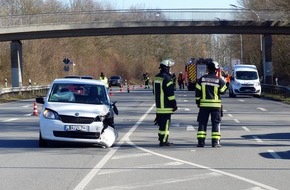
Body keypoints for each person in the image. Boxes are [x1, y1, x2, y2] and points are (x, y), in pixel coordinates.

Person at [195, 60, 227, 148]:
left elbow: (197, 93)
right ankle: (215, 142)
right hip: (215, 106)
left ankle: (201, 142)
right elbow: (223, 91)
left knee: (202, 123)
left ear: (208, 69)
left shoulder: (201, 79)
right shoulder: (219, 80)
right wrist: (224, 80)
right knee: (215, 124)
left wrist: (198, 102)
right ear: (216, 70)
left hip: (204, 106)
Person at [153, 59, 178, 147]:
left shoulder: (156, 77)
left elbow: (154, 91)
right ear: (167, 68)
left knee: (161, 124)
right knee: (166, 124)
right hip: (166, 106)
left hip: (159, 105)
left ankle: (161, 139)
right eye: (169, 67)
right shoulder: (167, 78)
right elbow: (170, 94)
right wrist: (174, 104)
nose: (170, 69)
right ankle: (164, 141)